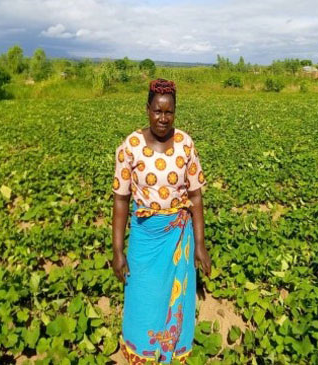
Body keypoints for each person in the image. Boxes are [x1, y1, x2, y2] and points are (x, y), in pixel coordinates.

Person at [112, 78, 211, 364]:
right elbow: (120, 199)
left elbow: (195, 196)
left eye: (169, 112)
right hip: (146, 236)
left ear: (175, 112)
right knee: (142, 295)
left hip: (179, 237)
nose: (163, 119)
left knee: (175, 296)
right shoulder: (130, 147)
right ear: (147, 109)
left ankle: (172, 352)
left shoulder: (185, 144)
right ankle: (141, 353)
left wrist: (200, 245)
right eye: (157, 111)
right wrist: (118, 251)